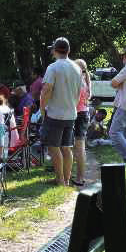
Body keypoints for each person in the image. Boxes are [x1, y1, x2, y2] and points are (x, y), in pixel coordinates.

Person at [39, 37, 82, 186]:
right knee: (66, 148)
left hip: (55, 113)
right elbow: (79, 93)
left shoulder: (53, 67)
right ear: (68, 50)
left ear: (54, 50)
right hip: (71, 113)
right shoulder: (77, 67)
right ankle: (67, 179)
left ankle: (60, 180)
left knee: (54, 147)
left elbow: (46, 90)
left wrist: (42, 109)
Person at [71, 59, 91, 186]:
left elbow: (75, 99)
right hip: (83, 114)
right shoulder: (85, 79)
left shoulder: (79, 80)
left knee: (79, 148)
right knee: (78, 147)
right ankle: (79, 176)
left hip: (79, 114)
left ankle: (80, 178)